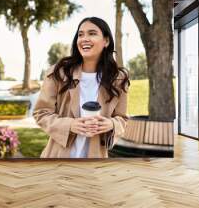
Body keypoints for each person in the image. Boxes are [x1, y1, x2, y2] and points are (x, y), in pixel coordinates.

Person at [33, 17, 130, 158]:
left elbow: (122, 119)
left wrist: (111, 124)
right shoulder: (58, 73)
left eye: (92, 33)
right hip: (57, 157)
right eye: (80, 34)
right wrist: (70, 125)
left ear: (106, 41)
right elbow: (41, 113)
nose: (84, 38)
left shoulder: (119, 79)